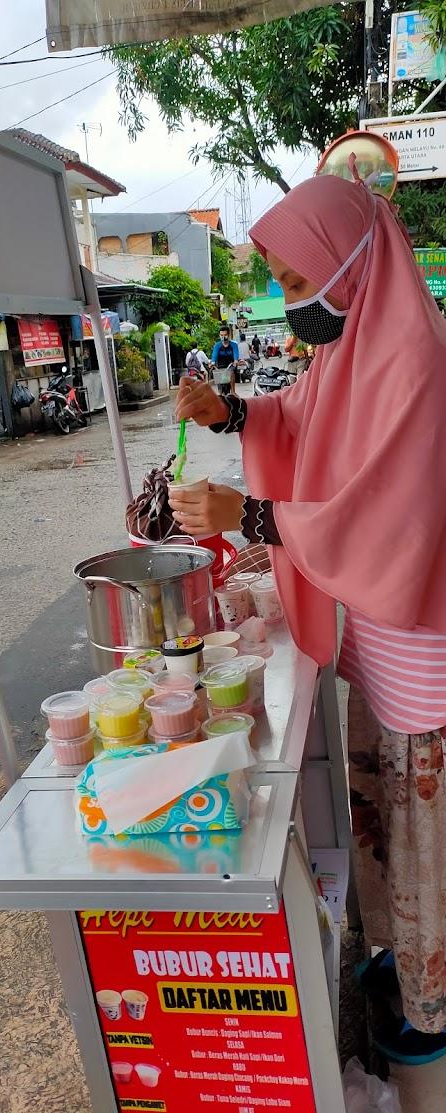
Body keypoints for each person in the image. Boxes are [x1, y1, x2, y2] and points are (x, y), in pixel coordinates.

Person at [170, 173, 446, 1065]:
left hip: (425, 652)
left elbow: (378, 506)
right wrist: (232, 413)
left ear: (357, 262)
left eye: (298, 283)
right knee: (388, 816)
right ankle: (408, 965)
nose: (292, 307)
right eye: (282, 284)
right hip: (383, 638)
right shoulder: (353, 347)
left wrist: (248, 515)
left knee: (425, 836)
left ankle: (433, 1002)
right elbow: (305, 420)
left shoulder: (418, 361)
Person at [211, 325, 239, 395]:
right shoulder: (217, 345)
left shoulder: (234, 345)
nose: (223, 337)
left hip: (230, 365)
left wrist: (236, 361)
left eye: (225, 335)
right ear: (219, 335)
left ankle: (233, 391)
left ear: (229, 335)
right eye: (221, 335)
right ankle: (220, 393)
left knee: (231, 372)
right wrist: (212, 362)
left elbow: (236, 354)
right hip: (220, 367)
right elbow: (214, 355)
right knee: (220, 393)